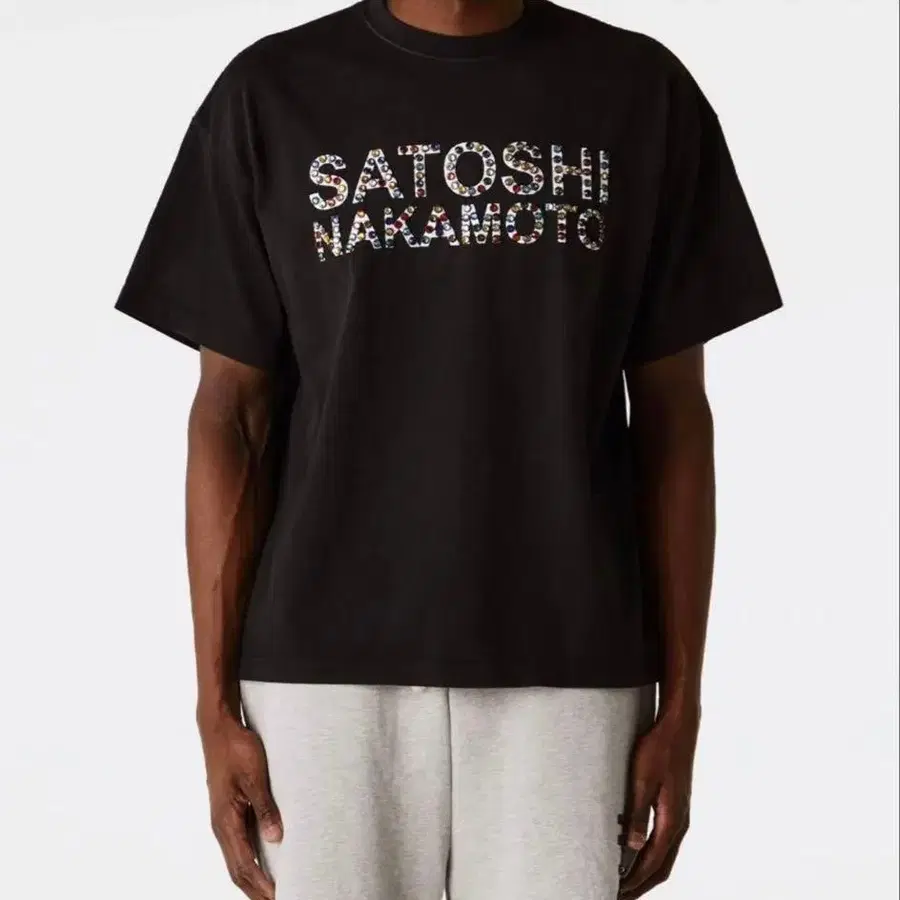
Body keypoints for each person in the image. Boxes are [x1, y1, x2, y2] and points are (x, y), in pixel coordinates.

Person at [114, 0, 782, 897]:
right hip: (319, 675)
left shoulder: (640, 91)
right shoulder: (271, 92)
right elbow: (230, 414)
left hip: (573, 664)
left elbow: (674, 417)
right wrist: (212, 708)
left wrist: (683, 707)